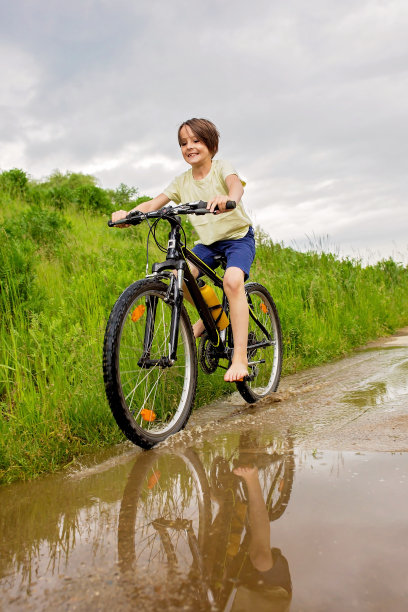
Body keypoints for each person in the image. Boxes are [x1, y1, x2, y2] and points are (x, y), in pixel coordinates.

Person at [111, 117, 255, 383]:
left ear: (211, 145)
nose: (189, 146)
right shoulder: (181, 182)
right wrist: (128, 215)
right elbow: (154, 203)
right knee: (178, 278)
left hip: (237, 238)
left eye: (196, 140)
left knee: (233, 282)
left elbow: (235, 186)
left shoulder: (222, 168)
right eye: (183, 143)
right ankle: (214, 317)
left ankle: (240, 359)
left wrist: (229, 199)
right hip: (208, 244)